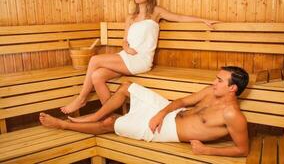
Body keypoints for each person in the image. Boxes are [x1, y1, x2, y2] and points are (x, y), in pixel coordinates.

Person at [60, 0, 218, 114]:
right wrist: (126, 47)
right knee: (97, 76)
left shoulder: (156, 12)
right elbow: (124, 40)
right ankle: (110, 116)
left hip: (141, 60)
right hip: (127, 55)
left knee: (94, 60)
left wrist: (203, 20)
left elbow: (179, 17)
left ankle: (81, 99)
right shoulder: (130, 17)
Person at [40, 66, 249, 156]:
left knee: (110, 123)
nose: (214, 82)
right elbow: (182, 100)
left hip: (168, 132)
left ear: (232, 88)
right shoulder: (211, 92)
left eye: (219, 80)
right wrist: (161, 113)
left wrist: (207, 150)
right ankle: (93, 115)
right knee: (126, 87)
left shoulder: (232, 115)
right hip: (167, 114)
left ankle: (63, 124)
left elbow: (242, 150)